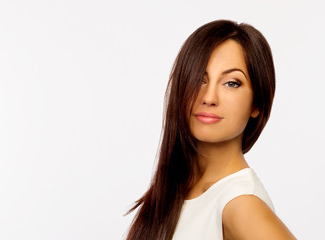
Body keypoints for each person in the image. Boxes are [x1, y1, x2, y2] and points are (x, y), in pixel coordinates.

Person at [126, 20, 296, 240]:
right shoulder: (177, 188)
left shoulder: (241, 204)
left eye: (231, 83)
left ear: (257, 104)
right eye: (199, 79)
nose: (208, 98)